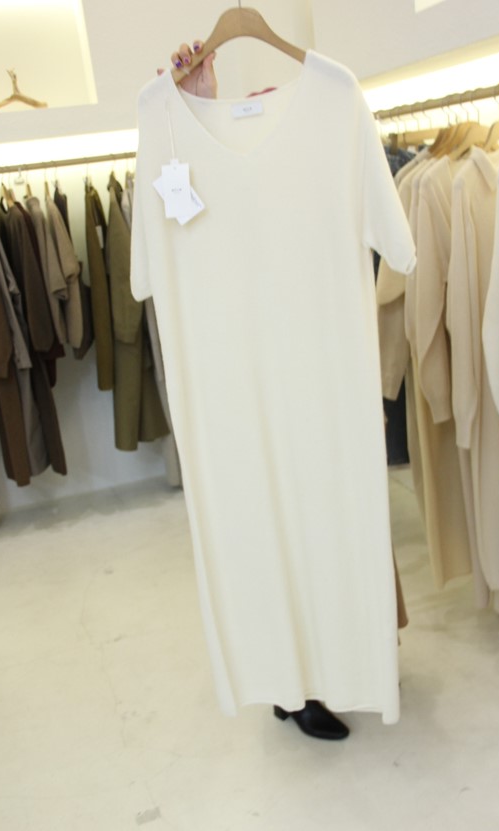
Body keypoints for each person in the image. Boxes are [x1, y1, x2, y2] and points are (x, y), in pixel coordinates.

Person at [157, 39, 350, 742]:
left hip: (316, 362)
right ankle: (294, 680)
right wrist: (187, 108)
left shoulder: (319, 116)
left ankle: (338, 664)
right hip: (241, 371)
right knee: (268, 523)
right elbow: (178, 239)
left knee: (330, 517)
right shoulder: (178, 141)